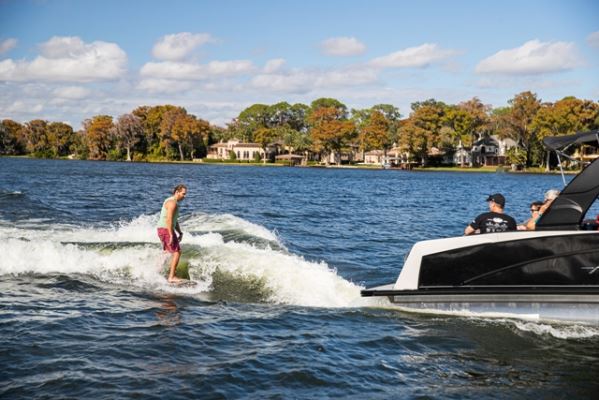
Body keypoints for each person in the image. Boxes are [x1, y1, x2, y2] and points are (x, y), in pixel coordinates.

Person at [157, 184, 187, 283]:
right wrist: (171, 234)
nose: (184, 196)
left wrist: (180, 232)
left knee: (166, 251)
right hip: (166, 229)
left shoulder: (172, 202)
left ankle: (156, 271)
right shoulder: (172, 203)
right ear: (177, 192)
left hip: (162, 229)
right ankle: (171, 277)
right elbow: (169, 219)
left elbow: (174, 220)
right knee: (177, 252)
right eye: (183, 193)